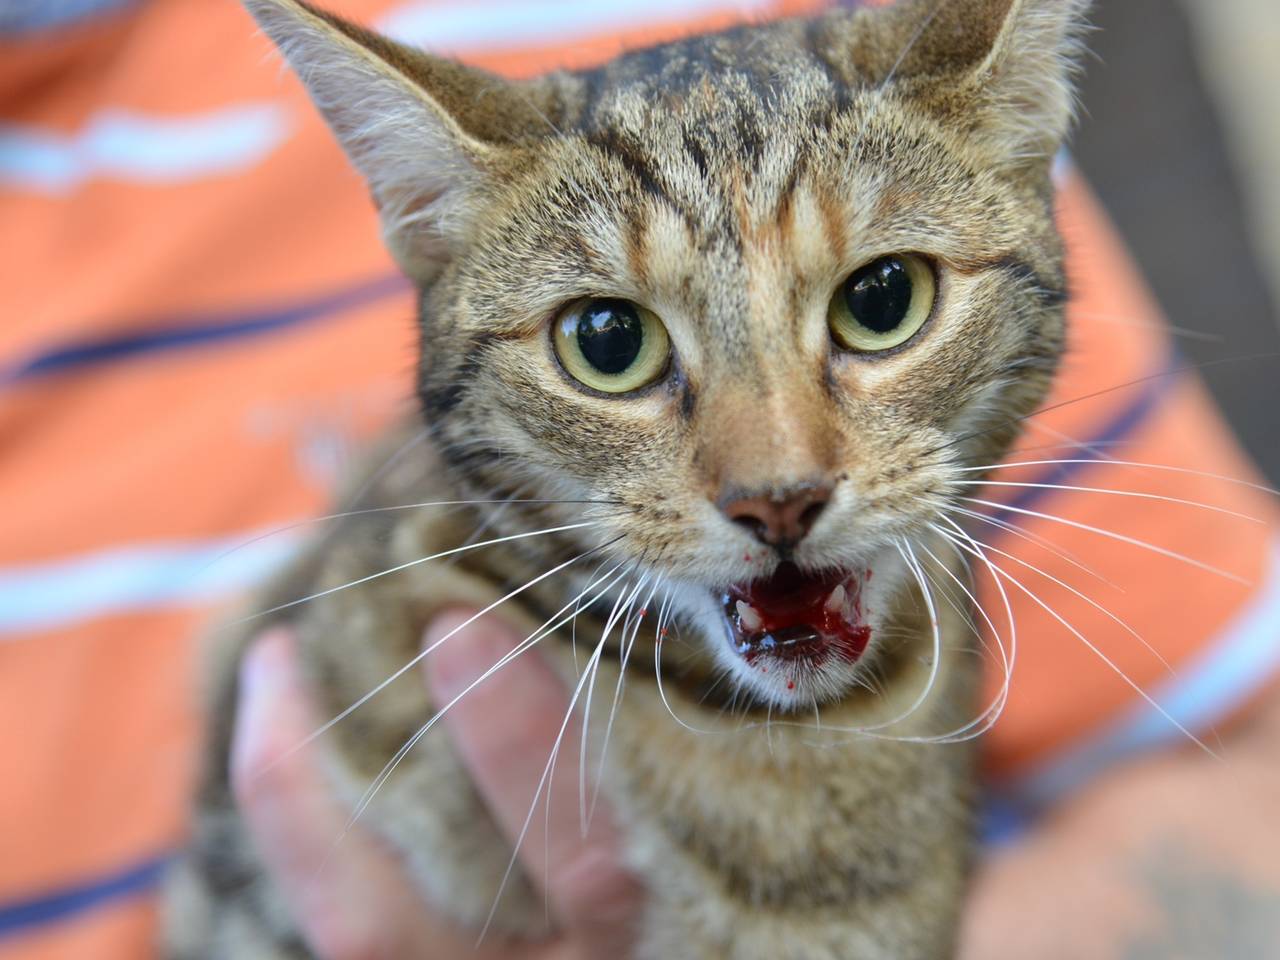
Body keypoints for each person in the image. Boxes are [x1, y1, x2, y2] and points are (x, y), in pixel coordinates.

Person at [3, 1, 1278, 958]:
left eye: (879, 301)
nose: (776, 477)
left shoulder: (872, 74)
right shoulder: (375, 658)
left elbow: (1246, 796)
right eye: (608, 341)